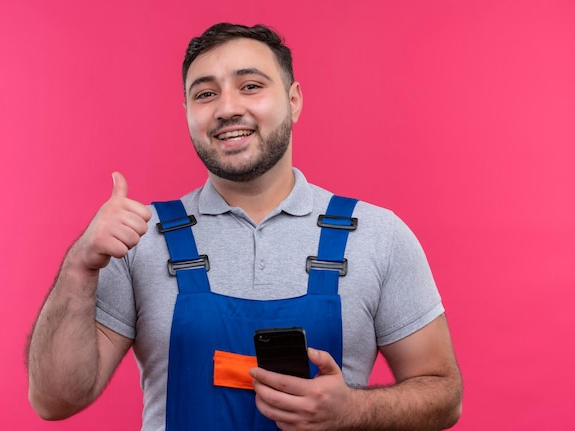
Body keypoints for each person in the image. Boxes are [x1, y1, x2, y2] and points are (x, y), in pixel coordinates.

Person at [27, 22, 462, 431]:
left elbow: (444, 394)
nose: (227, 108)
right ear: (186, 112)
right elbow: (55, 399)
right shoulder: (140, 238)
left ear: (293, 101)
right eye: (205, 94)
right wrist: (80, 266)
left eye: (250, 86)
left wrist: (354, 410)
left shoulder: (378, 235)